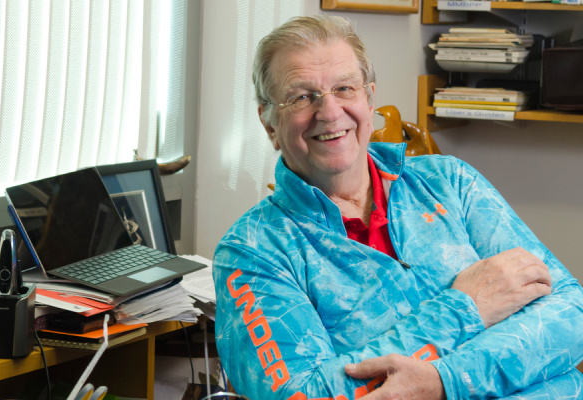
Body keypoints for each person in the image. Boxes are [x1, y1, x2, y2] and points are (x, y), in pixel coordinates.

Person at [212, 15, 583, 400]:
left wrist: (445, 382)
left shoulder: (449, 181)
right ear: (269, 123)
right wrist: (466, 307)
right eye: (301, 96)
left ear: (369, 100)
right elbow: (301, 395)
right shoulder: (254, 251)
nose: (329, 111)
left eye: (344, 88)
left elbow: (571, 310)